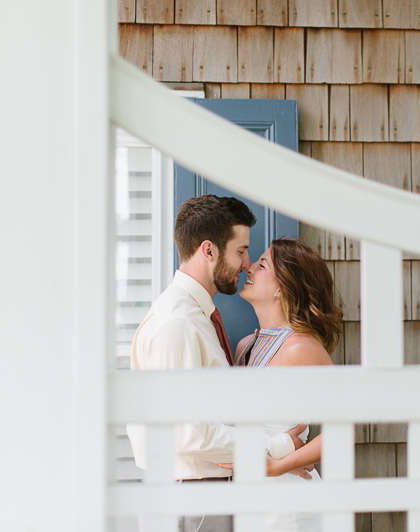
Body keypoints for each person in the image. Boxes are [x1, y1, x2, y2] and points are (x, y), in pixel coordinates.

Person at [127, 195, 308, 532]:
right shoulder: (178, 323)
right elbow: (189, 433)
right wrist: (279, 447)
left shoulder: (196, 317)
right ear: (208, 251)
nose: (247, 263)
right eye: (240, 251)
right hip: (190, 499)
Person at [218, 237, 343, 532]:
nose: (248, 268)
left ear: (282, 288)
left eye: (262, 265)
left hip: (288, 502)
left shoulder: (301, 347)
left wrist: (280, 465)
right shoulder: (244, 346)